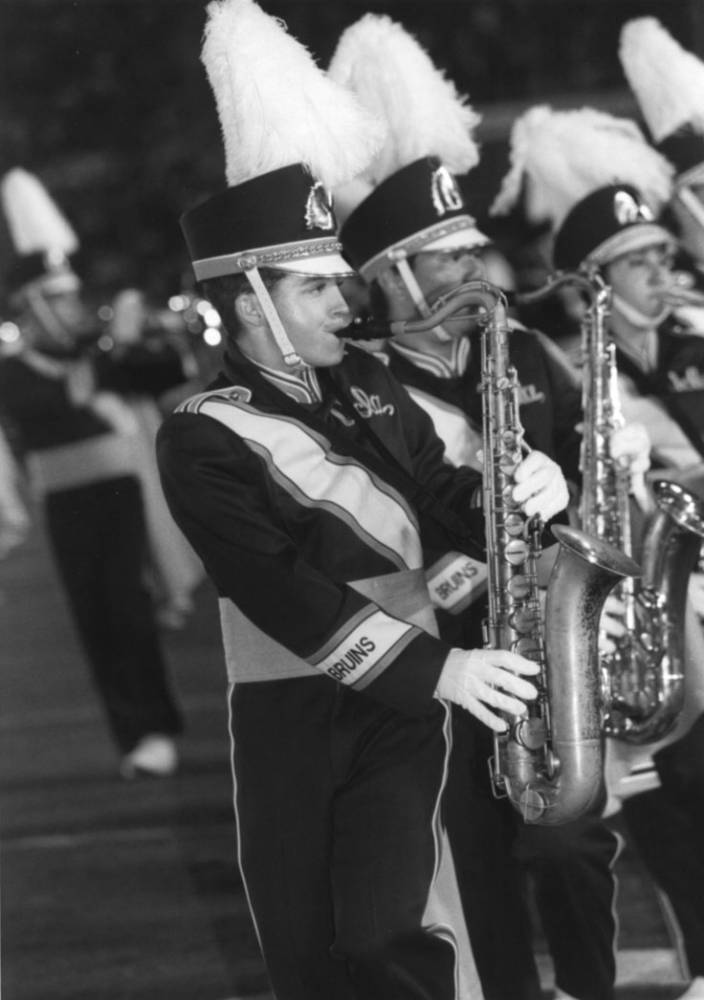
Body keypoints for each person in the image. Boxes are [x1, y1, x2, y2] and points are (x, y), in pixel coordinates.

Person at [155, 2, 570, 997]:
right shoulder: (201, 433)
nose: (348, 303)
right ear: (252, 299)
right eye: (318, 289)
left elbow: (438, 497)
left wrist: (525, 500)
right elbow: (281, 589)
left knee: (391, 932)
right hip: (293, 706)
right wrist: (435, 668)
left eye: (344, 281)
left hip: (402, 707)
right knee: (310, 956)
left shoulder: (370, 384)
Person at [492, 101, 704, 1000]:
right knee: (662, 790)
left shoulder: (695, 336)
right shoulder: (565, 363)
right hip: (643, 608)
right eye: (637, 264)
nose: (663, 273)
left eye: (662, 255)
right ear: (589, 287)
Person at [0, 167, 184, 779]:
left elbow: (165, 373)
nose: (69, 306)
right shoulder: (18, 368)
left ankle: (156, 726)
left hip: (118, 491)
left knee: (128, 608)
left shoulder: (96, 353)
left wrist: (133, 337)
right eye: (56, 298)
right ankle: (133, 733)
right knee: (94, 619)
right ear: (31, 305)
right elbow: (31, 418)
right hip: (65, 499)